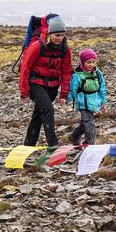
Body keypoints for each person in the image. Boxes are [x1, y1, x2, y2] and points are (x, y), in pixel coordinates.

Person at [19, 16, 72, 147]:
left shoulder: (65, 49)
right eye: (57, 35)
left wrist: (64, 94)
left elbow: (66, 72)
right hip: (35, 84)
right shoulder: (37, 46)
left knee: (38, 116)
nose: (59, 38)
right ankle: (53, 145)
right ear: (49, 33)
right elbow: (25, 68)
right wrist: (24, 91)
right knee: (48, 110)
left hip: (53, 86)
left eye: (62, 35)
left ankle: (28, 146)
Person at [68, 48, 107, 145]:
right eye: (88, 62)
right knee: (90, 123)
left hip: (94, 102)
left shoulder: (97, 73)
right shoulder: (77, 76)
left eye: (93, 62)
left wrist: (102, 102)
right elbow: (72, 90)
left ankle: (74, 137)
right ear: (82, 62)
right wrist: (66, 99)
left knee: (84, 123)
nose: (91, 64)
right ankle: (89, 143)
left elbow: (102, 87)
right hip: (83, 103)